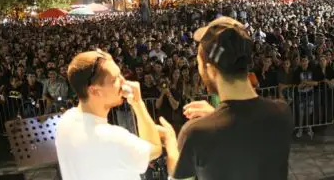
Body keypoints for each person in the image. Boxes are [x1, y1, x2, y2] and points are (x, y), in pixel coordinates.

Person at [157, 16, 293, 180]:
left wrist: (171, 141)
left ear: (211, 70)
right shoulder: (282, 113)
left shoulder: (195, 132)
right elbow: (247, 141)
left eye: (199, 64)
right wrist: (215, 116)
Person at [55, 50, 162, 180]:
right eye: (115, 79)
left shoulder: (65, 121)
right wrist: (138, 102)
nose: (124, 82)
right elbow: (155, 148)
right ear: (95, 91)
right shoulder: (114, 138)